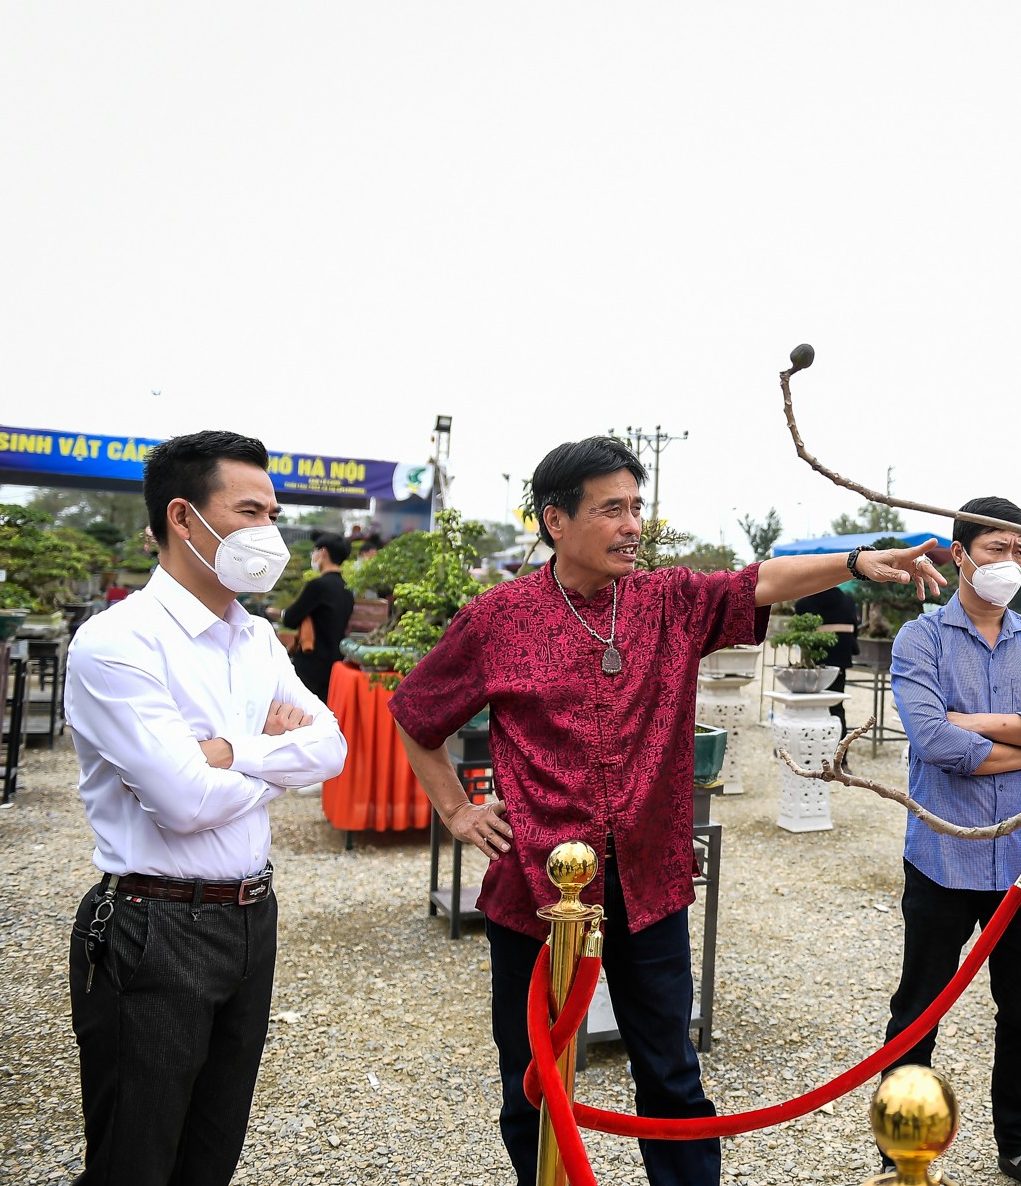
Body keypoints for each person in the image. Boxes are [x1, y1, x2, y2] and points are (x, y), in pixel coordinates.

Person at [386, 437, 948, 1186]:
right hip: (536, 890)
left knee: (672, 1074)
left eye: (636, 506)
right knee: (531, 1077)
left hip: (651, 883)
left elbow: (759, 580)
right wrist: (457, 811)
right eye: (611, 508)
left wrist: (854, 563)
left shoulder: (667, 601)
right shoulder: (499, 618)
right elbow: (416, 712)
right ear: (555, 520)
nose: (631, 525)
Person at [63, 429, 347, 1185]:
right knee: (137, 1159)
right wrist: (265, 754)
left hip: (252, 917)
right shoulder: (117, 642)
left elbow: (333, 747)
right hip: (154, 928)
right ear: (185, 518)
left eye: (273, 512)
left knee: (211, 1154)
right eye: (250, 510)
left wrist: (230, 749)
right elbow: (184, 800)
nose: (270, 533)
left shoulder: (254, 636)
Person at [881, 497, 1021, 1186]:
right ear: (961, 552)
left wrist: (978, 722)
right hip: (943, 853)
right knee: (919, 1007)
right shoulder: (923, 639)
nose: (1010, 563)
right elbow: (932, 740)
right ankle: (900, 1141)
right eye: (997, 548)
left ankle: (1018, 1142)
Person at [280, 531, 356, 703]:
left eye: (315, 551)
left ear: (323, 552)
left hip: (311, 664)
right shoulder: (347, 589)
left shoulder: (318, 585)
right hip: (334, 664)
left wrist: (283, 613)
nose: (313, 555)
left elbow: (290, 619)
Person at [793, 582, 858, 731]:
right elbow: (855, 630)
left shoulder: (803, 604)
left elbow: (798, 635)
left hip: (811, 662)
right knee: (836, 705)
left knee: (809, 704)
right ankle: (840, 749)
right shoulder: (848, 601)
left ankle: (810, 743)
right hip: (840, 658)